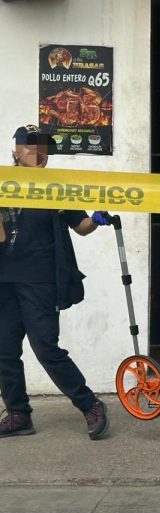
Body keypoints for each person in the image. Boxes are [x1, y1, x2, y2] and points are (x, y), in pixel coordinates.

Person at [0, 124, 112, 440]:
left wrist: (98, 218)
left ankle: (90, 405)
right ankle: (19, 414)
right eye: (29, 145)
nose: (37, 151)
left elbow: (82, 226)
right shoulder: (3, 183)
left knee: (46, 347)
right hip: (4, 279)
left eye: (43, 147)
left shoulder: (56, 187)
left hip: (40, 280)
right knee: (4, 350)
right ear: (15, 151)